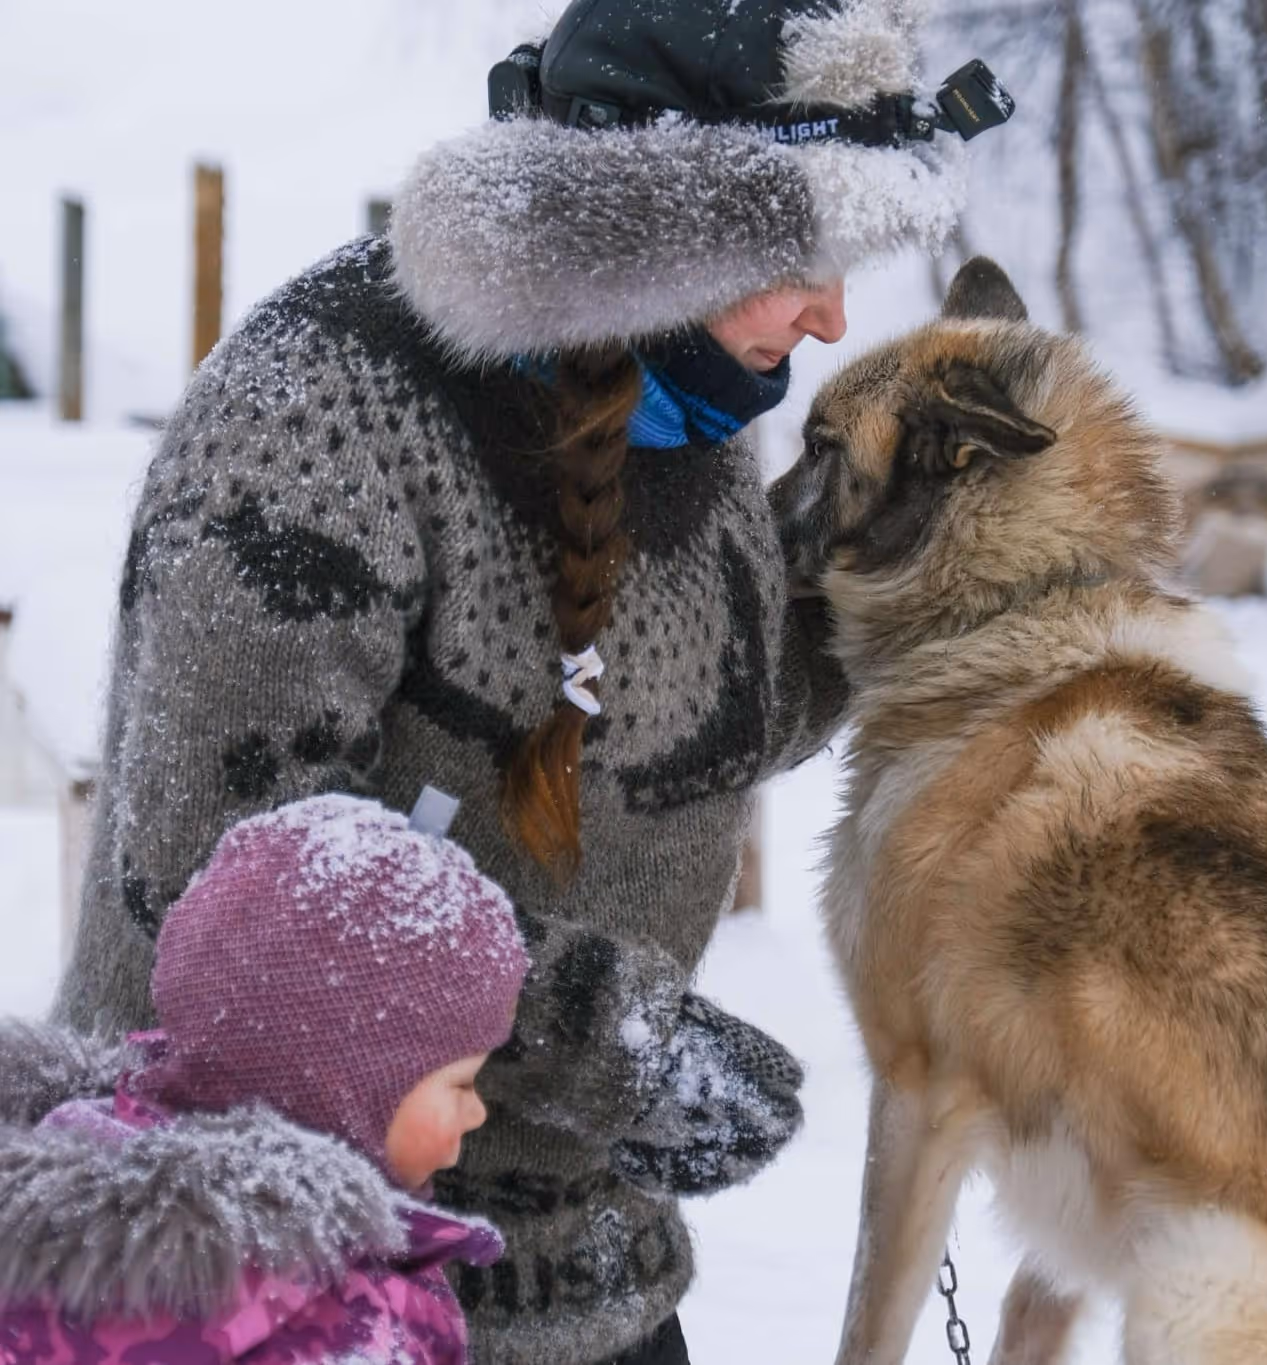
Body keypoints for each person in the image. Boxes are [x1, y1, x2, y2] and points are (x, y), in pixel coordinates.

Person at [53, 0, 967, 1360]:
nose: (833, 316)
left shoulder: (685, 402)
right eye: (802, 260)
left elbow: (692, 720)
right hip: (273, 1276)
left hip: (576, 1270)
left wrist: (951, 592)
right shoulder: (325, 408)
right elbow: (221, 875)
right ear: (660, 230)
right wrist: (615, 1046)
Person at [3, 793, 528, 1365]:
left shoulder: (70, 1191)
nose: (478, 1112)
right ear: (338, 1085)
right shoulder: (340, 1325)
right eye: (459, 1083)